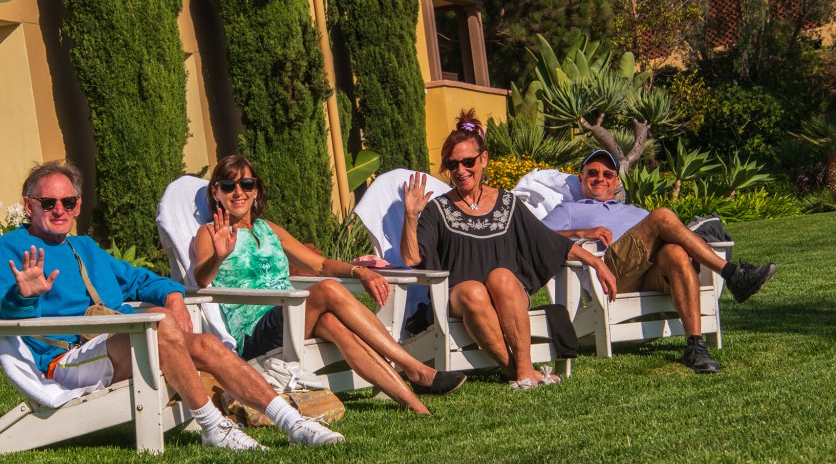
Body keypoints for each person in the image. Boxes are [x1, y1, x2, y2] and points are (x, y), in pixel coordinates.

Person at [0, 160, 345, 450]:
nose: (60, 210)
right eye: (49, 203)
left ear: (78, 204)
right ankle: (211, 425)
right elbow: (0, 314)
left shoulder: (85, 247)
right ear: (29, 204)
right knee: (157, 327)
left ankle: (293, 423)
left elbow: (140, 279)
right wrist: (24, 295)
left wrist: (173, 294)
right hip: (69, 355)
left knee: (205, 344)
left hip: (124, 335)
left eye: (69, 202)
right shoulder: (11, 250)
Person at [193, 154, 467, 415]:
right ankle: (413, 367)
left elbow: (320, 265)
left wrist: (358, 270)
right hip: (255, 331)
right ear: (216, 192)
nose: (238, 191)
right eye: (229, 185)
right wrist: (219, 256)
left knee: (336, 327)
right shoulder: (209, 234)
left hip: (293, 316)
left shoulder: (268, 229)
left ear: (255, 191)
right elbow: (201, 279)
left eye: (247, 184)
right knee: (326, 288)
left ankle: (414, 404)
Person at [400, 110, 618, 389]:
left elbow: (548, 241)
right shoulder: (437, 210)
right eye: (452, 165)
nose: (461, 170)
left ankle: (523, 370)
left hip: (507, 293)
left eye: (468, 162)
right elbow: (412, 258)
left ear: (484, 159)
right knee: (473, 289)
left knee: (501, 276)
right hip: (459, 299)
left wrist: (597, 263)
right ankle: (517, 370)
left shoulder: (507, 202)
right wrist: (410, 216)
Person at [541, 149, 778, 373]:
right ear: (581, 179)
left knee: (675, 252)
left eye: (607, 174)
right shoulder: (568, 210)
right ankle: (733, 274)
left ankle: (695, 346)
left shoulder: (635, 212)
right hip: (609, 274)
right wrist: (581, 232)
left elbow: (668, 232)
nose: (599, 178)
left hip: (649, 273)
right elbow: (535, 237)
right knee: (662, 215)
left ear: (615, 182)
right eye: (592, 173)